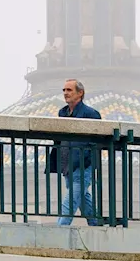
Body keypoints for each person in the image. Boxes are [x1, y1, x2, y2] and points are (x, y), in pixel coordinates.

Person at [52, 78, 102, 226]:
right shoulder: (63, 112)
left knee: (70, 201)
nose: (65, 93)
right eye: (64, 90)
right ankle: (96, 225)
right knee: (83, 198)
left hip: (82, 166)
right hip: (67, 166)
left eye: (69, 90)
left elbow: (96, 140)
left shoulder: (91, 114)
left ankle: (59, 232)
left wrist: (86, 160)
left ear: (80, 93)